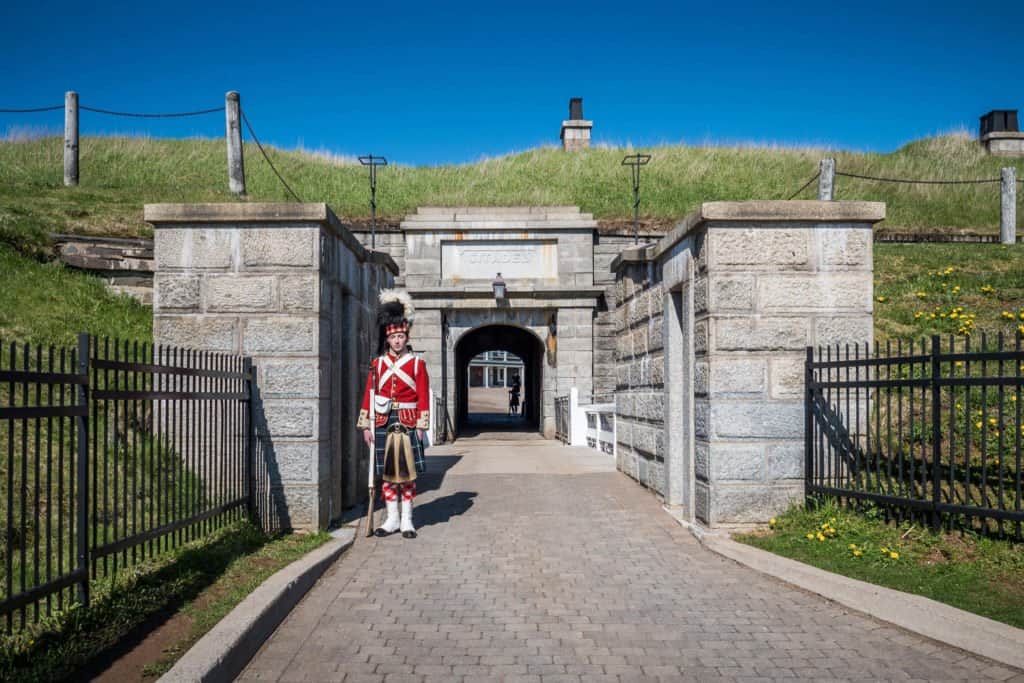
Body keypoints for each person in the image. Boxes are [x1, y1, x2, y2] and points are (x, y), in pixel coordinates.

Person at [356, 290, 430, 539]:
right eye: (393, 337)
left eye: (401, 336)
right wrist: (365, 425)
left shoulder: (417, 364)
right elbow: (369, 394)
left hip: (408, 422)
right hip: (383, 421)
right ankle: (391, 519)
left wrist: (421, 426)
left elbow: (423, 396)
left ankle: (407, 519)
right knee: (387, 476)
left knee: (407, 475)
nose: (397, 341)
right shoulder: (377, 364)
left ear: (406, 337)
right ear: (387, 339)